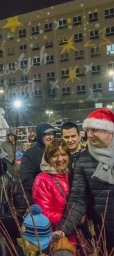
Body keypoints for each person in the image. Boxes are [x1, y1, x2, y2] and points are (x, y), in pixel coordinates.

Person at [56, 108, 114, 253]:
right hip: (105, 231)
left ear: (109, 131)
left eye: (95, 130)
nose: (90, 135)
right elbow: (78, 199)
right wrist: (64, 229)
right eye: (88, 130)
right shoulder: (84, 161)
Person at [32, 139, 76, 245]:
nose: (60, 159)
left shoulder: (73, 175)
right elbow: (43, 212)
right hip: (56, 237)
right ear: (48, 158)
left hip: (75, 234)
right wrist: (73, 219)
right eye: (55, 156)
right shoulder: (42, 179)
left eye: (64, 154)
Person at [20, 124, 56, 201]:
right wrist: (42, 194)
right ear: (40, 135)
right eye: (46, 134)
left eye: (52, 134)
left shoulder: (57, 151)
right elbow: (26, 180)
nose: (50, 137)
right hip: (40, 198)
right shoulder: (30, 154)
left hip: (58, 196)